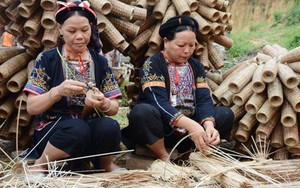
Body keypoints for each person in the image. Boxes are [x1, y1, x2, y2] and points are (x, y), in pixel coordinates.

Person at [23, 1, 123, 174]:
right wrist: (57, 92)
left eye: (85, 30)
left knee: (109, 126)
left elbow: (114, 108)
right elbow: (31, 107)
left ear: (91, 28)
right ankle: (40, 164)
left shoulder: (100, 61)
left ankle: (105, 165)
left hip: (86, 127)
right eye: (71, 31)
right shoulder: (48, 59)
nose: (79, 36)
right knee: (77, 128)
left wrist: (102, 103)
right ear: (60, 29)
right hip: (54, 129)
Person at [121, 16, 234, 161]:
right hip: (161, 130)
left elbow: (203, 98)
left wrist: (208, 125)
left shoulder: (196, 66)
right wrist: (191, 124)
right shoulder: (152, 64)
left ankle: (192, 153)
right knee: (142, 112)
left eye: (192, 45)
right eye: (181, 46)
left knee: (225, 114)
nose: (187, 51)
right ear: (166, 42)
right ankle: (163, 156)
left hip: (190, 132)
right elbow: (158, 102)